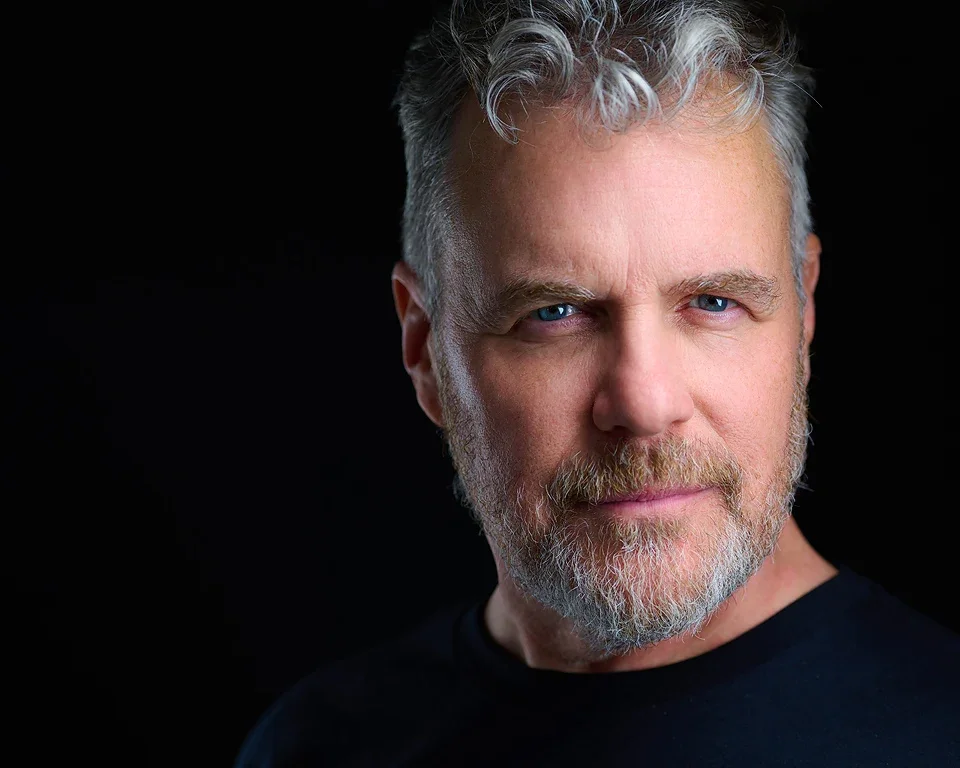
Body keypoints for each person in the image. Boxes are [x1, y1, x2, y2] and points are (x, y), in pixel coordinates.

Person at [235, 1, 959, 765]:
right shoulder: (317, 747)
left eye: (714, 302)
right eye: (555, 313)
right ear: (423, 348)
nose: (645, 403)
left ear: (803, 312)